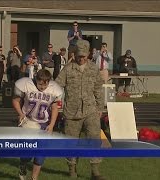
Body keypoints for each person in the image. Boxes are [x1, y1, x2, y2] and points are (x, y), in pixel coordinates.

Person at [55, 40, 105, 179]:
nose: (81, 58)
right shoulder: (68, 69)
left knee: (94, 139)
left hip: (91, 110)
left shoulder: (93, 68)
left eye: (83, 56)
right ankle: (72, 170)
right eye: (79, 56)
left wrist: (100, 107)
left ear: (88, 54)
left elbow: (98, 89)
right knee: (71, 142)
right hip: (72, 112)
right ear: (74, 54)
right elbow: (57, 86)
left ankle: (95, 171)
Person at [12, 69, 63, 180]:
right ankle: (23, 164)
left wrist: (52, 124)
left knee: (40, 154)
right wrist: (20, 114)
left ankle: (34, 178)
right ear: (36, 79)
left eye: (45, 85)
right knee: (27, 154)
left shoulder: (53, 89)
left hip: (44, 123)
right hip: (28, 122)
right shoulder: (27, 84)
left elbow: (55, 108)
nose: (42, 87)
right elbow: (15, 101)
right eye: (40, 84)